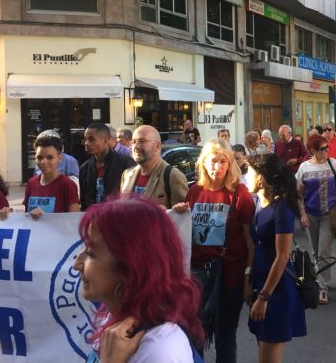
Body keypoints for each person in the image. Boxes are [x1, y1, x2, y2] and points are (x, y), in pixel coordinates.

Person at [75, 199, 204, 363]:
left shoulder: (161, 351)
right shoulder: (118, 321)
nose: (76, 265)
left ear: (131, 265)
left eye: (91, 253)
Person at [172, 139, 255, 363]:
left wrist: (248, 278)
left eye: (223, 161)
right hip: (198, 277)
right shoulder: (194, 192)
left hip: (230, 277)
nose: (217, 166)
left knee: (225, 338)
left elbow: (250, 242)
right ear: (203, 163)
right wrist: (179, 212)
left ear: (230, 164)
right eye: (212, 161)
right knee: (194, 335)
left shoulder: (240, 194)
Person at [247, 153, 306, 361]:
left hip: (276, 290)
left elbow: (282, 256)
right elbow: (254, 245)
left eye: (250, 172)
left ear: (261, 177)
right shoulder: (258, 203)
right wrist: (249, 280)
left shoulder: (281, 208)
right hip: (259, 284)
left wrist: (264, 297)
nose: (246, 176)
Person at [295, 134, 336, 304]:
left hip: (329, 215)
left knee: (324, 251)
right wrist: (302, 214)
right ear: (312, 150)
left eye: (327, 148)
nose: (325, 151)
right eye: (321, 149)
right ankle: (321, 277)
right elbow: (299, 194)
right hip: (310, 214)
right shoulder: (304, 168)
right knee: (316, 251)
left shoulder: (333, 164)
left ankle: (322, 287)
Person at [120, 125, 188, 208]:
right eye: (134, 142)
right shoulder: (127, 174)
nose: (136, 146)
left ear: (157, 146)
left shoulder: (173, 176)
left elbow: (179, 217)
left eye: (142, 141)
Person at [19, 133, 80, 219]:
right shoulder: (31, 183)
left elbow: (74, 220)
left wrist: (46, 218)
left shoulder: (67, 184)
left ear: (59, 158)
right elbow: (26, 215)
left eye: (50, 157)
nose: (43, 162)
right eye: (39, 157)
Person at [80, 122, 136, 209]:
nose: (86, 143)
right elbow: (84, 201)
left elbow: (133, 198)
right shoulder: (85, 168)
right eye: (85, 139)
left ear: (106, 140)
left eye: (91, 139)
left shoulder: (126, 164)